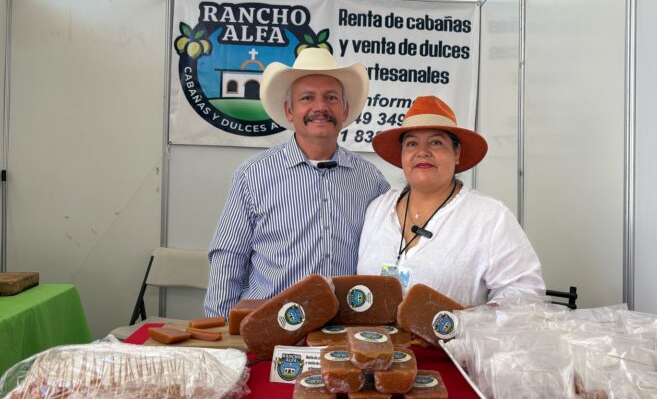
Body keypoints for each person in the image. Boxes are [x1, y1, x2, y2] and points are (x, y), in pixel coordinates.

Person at [204, 48, 390, 317]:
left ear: (345, 110)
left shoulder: (371, 181)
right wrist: (219, 331)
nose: (320, 107)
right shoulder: (252, 175)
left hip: (341, 331)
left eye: (331, 98)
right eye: (307, 98)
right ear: (289, 111)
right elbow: (228, 257)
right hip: (267, 327)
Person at [357, 95, 544, 306]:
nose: (422, 152)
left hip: (455, 339)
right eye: (411, 143)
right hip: (373, 338)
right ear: (402, 155)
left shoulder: (490, 217)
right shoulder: (377, 209)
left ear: (456, 153)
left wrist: (469, 323)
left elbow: (526, 290)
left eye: (436, 142)